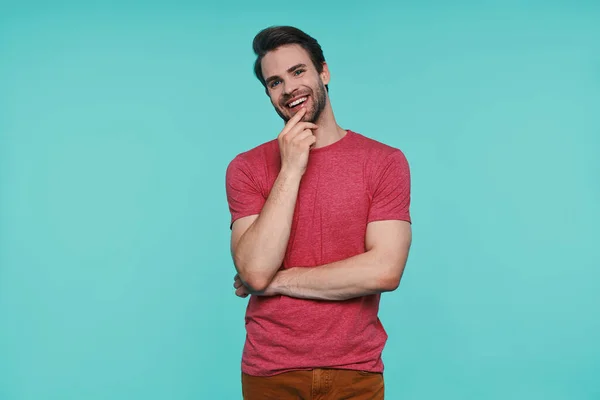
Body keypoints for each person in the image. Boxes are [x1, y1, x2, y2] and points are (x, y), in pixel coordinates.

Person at [225, 25, 412, 399]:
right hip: (270, 372)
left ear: (323, 73)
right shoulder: (245, 168)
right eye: (274, 82)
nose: (289, 88)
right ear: (268, 95)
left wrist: (276, 282)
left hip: (355, 371)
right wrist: (291, 167)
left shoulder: (384, 162)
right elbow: (256, 268)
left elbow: (385, 270)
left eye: (298, 72)